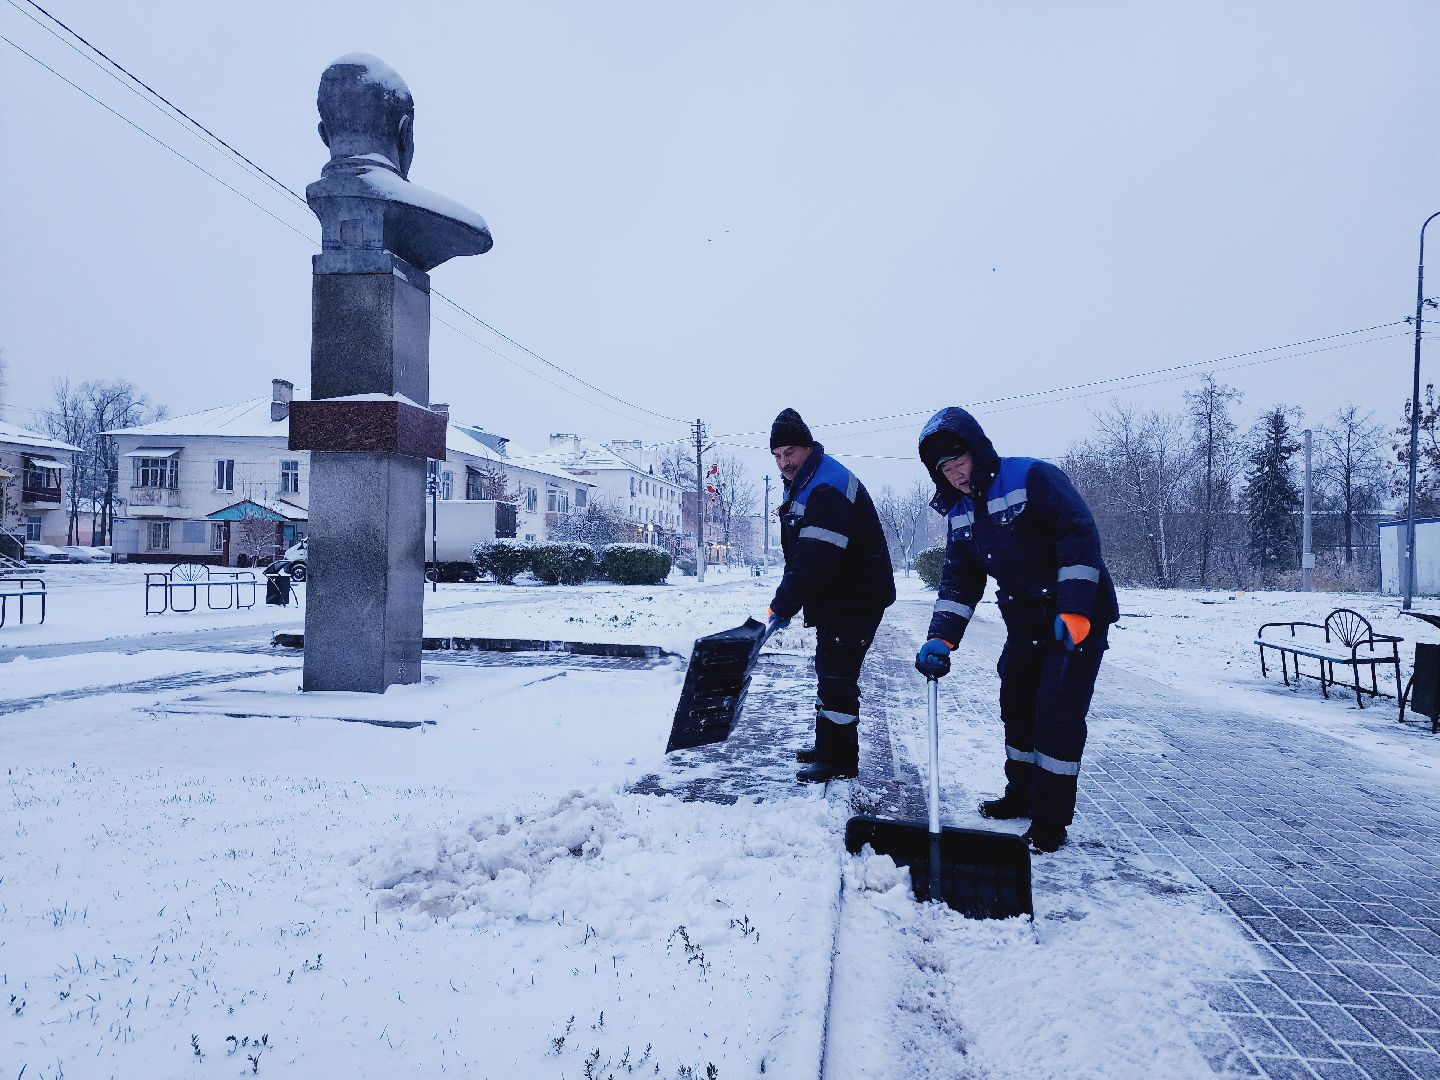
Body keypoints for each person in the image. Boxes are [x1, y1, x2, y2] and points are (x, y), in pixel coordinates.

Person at [913, 407, 1117, 853]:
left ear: (977, 450)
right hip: (1025, 622)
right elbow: (960, 579)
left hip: (1075, 618)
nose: (956, 474)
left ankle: (1050, 820)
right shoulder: (961, 512)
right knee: (1017, 705)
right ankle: (1020, 795)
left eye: (959, 461)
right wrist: (941, 637)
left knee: (1056, 716)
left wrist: (1077, 607)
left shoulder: (1032, 478)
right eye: (944, 469)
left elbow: (1078, 534)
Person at [766, 408, 896, 783]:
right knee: (829, 670)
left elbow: (816, 560)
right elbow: (806, 557)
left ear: (807, 447)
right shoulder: (809, 482)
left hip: (854, 597)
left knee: (838, 677)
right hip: (841, 596)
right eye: (776, 455)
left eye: (789, 451)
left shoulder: (827, 487)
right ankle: (828, 747)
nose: (783, 462)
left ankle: (839, 759)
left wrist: (784, 604)